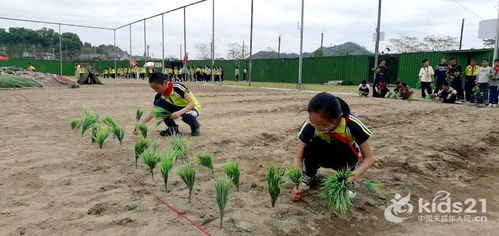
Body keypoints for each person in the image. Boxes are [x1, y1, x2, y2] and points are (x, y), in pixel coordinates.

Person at [291, 93, 374, 201]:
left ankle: (346, 176)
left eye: (324, 125)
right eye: (313, 123)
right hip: (320, 156)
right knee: (311, 146)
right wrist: (297, 183)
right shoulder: (311, 125)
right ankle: (309, 174)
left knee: (348, 195)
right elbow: (298, 156)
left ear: (338, 117)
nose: (318, 128)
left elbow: (369, 158)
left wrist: (350, 178)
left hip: (344, 159)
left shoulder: (352, 124)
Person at [135, 72, 202, 136]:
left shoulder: (177, 87)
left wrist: (179, 113)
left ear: (165, 83)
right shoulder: (159, 96)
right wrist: (141, 125)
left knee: (187, 117)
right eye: (153, 88)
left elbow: (192, 103)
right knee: (159, 108)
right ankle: (173, 129)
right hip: (176, 107)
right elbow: (153, 112)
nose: (156, 90)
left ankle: (195, 126)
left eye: (157, 88)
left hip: (192, 107)